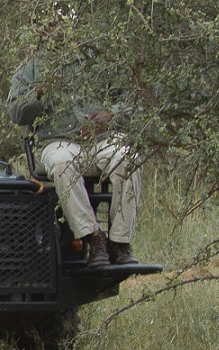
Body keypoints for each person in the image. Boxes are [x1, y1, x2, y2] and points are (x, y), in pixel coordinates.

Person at [8, 55, 141, 265]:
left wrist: (112, 116)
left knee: (128, 157)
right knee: (62, 163)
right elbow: (16, 112)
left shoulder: (102, 54)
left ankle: (120, 242)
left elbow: (133, 101)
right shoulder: (32, 66)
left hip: (101, 140)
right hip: (57, 141)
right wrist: (40, 90)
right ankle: (94, 238)